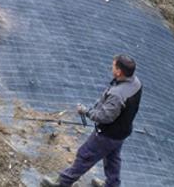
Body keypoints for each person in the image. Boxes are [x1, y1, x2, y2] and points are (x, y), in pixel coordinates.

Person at [41, 55, 143, 187]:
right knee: (113, 160)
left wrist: (87, 112)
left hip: (107, 135)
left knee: (85, 155)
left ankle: (63, 182)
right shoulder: (136, 83)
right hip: (122, 132)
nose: (110, 68)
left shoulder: (118, 94)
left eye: (113, 66)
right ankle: (112, 185)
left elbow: (105, 117)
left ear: (119, 72)